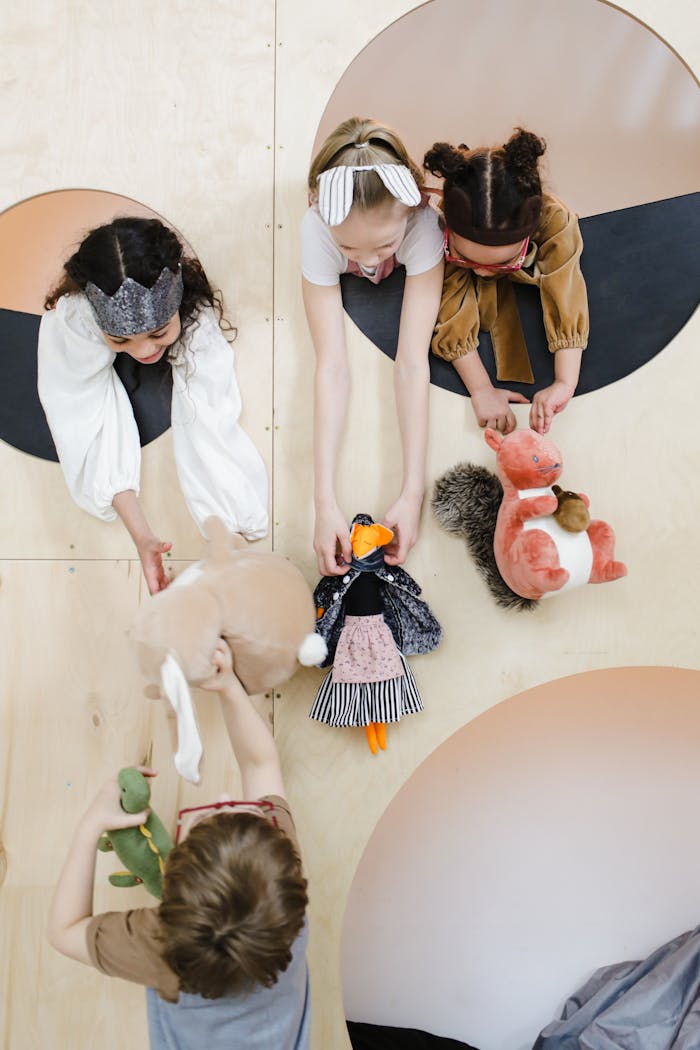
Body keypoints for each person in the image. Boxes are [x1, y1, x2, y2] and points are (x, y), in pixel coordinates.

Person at [47, 640, 310, 1050]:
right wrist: (228, 688)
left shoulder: (161, 945)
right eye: (239, 808)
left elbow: (64, 931)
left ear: (166, 898)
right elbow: (262, 765)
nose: (225, 797)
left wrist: (91, 823)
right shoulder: (282, 893)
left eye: (207, 816)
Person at [38, 217, 268, 594]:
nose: (144, 351)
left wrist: (228, 545)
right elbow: (81, 419)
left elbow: (211, 425)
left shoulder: (195, 323)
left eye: (158, 334)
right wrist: (142, 536)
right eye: (121, 340)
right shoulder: (78, 317)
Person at [301, 116, 444, 576]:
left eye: (383, 246)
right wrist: (324, 502)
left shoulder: (423, 225)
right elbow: (332, 367)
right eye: (349, 248)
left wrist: (412, 492)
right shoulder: (316, 226)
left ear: (413, 207)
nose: (364, 262)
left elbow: (410, 361)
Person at [425, 129, 589, 436]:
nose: (485, 273)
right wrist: (481, 389)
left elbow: (566, 292)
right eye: (467, 259)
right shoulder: (444, 228)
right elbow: (451, 312)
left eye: (502, 263)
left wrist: (565, 382)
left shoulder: (554, 220)